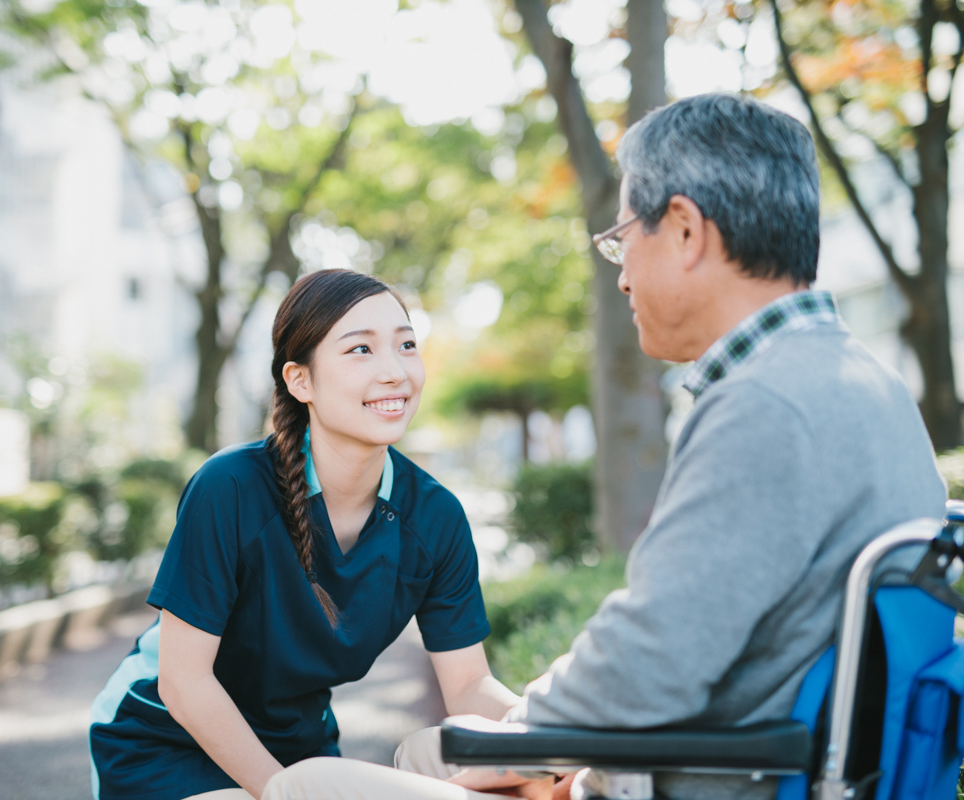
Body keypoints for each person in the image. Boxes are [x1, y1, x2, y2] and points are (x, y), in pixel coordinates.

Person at [259, 93, 947, 800]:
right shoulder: (869, 383)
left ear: (683, 230)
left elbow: (649, 663)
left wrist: (542, 755)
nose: (621, 274)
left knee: (306, 784)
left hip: (703, 781)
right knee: (421, 752)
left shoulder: (765, 405)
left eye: (624, 239)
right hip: (772, 765)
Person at [89, 268, 520, 800]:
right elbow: (184, 682)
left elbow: (468, 685)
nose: (394, 371)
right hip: (164, 743)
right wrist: (286, 792)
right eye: (360, 350)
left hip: (299, 748)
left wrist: (546, 726)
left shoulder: (435, 517)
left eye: (406, 345)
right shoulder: (230, 488)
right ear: (300, 381)